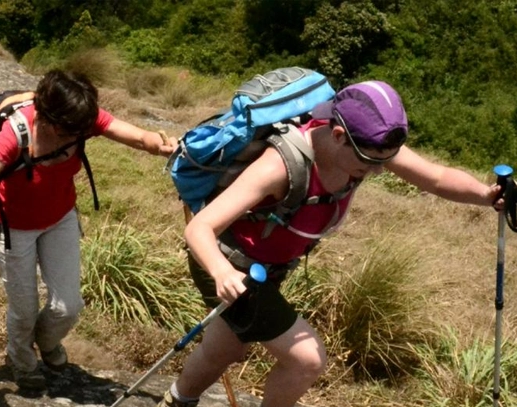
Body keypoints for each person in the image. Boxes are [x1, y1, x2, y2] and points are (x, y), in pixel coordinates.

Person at [158, 81, 503, 407]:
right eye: (371, 163)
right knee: (306, 360)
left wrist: (487, 196)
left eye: (385, 161)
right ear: (338, 135)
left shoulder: (368, 145)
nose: (378, 171)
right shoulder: (280, 165)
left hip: (268, 268)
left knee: (225, 349)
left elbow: (437, 178)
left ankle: (177, 400)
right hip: (230, 265)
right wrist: (221, 272)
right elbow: (200, 228)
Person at [0, 69, 177, 390]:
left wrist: (162, 145)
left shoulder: (80, 118)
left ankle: (46, 342)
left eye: (82, 130)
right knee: (24, 310)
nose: (78, 136)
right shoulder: (16, 133)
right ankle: (22, 361)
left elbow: (140, 138)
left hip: (60, 219)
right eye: (69, 132)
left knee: (68, 306)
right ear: (48, 119)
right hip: (15, 228)